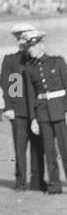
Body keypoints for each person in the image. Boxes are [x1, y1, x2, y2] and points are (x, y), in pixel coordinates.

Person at [0, 23, 46, 192]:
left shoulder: (38, 60)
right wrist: (8, 107)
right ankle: (20, 182)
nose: (22, 42)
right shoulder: (11, 60)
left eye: (25, 38)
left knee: (38, 148)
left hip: (37, 111)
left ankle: (37, 181)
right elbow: (7, 86)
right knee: (20, 148)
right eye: (20, 38)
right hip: (18, 112)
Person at [23, 31, 67, 195]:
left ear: (42, 45)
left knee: (65, 149)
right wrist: (33, 119)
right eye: (29, 47)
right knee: (50, 151)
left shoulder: (57, 62)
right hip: (43, 113)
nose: (31, 50)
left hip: (60, 111)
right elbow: (30, 95)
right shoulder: (30, 69)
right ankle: (55, 185)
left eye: (33, 46)